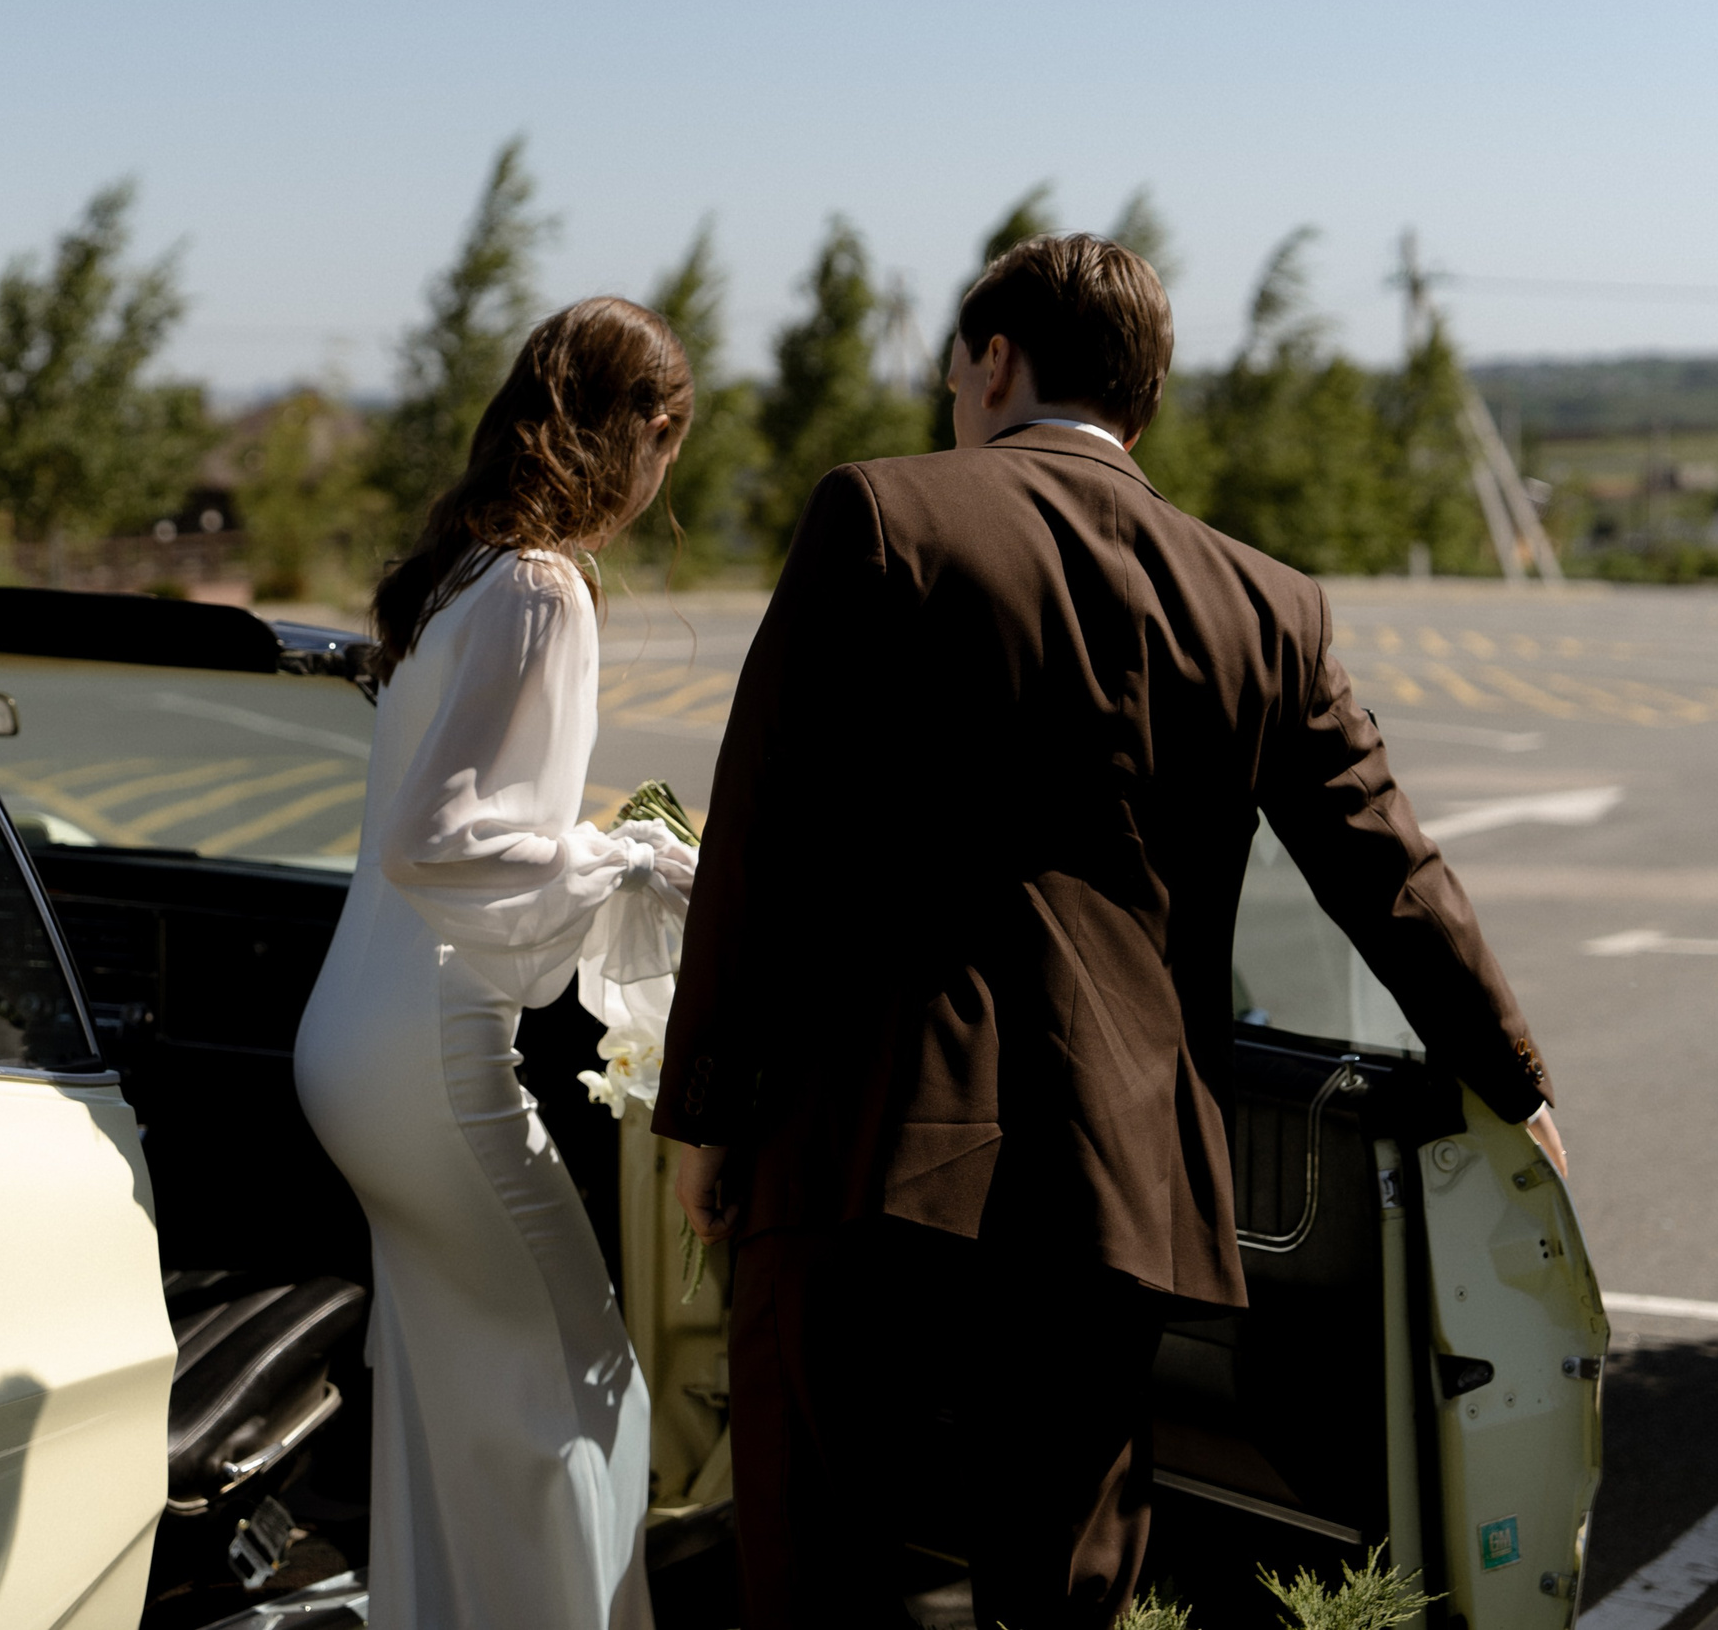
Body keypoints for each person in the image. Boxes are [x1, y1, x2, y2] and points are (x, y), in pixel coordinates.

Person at [651, 233, 1566, 1629]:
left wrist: (710, 1109)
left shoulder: (884, 519)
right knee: (1065, 1589)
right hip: (1118, 1181)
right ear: (1142, 399)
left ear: (996, 361)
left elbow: (764, 837)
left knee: (826, 1570)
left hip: (866, 1153)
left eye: (958, 372)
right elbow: (1388, 869)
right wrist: (1515, 1078)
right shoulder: (1266, 601)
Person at [296, 296, 697, 1630]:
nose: (664, 476)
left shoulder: (459, 575)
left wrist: (585, 844)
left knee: (454, 1400)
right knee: (583, 1393)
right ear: (637, 430)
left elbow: (445, 830)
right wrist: (629, 862)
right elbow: (445, 842)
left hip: (344, 1050)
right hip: (427, 1057)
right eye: (669, 437)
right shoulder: (541, 586)